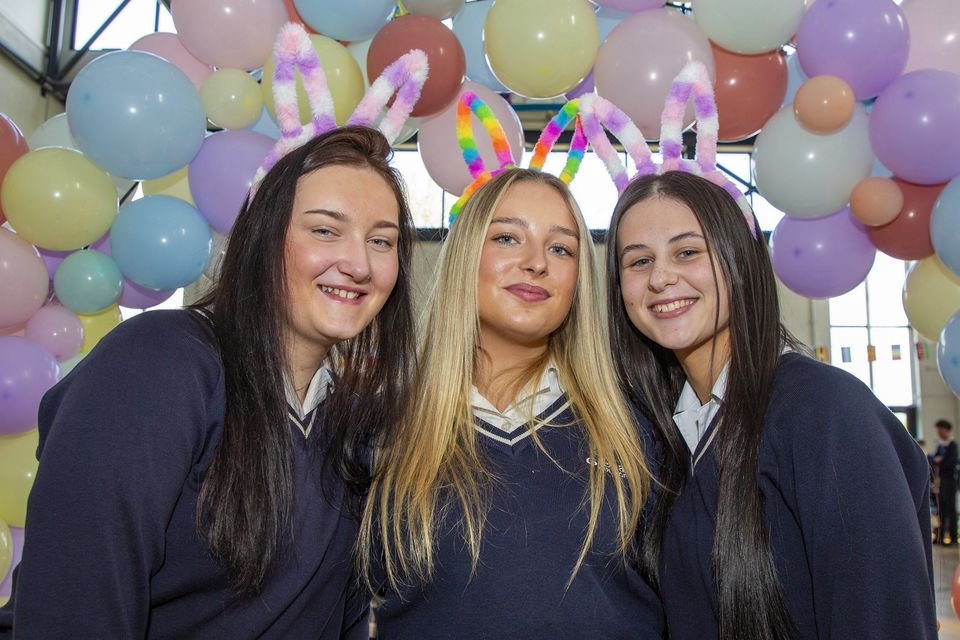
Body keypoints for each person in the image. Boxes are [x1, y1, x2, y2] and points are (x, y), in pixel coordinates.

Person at [0, 124, 418, 638]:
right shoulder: (161, 363)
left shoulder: (351, 421)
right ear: (263, 237)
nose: (358, 264)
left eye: (381, 241)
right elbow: (75, 602)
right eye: (325, 230)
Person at [605, 170, 936, 639]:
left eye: (687, 252)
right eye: (638, 262)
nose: (661, 278)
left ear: (738, 262)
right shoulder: (670, 437)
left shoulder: (824, 411)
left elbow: (884, 618)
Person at [359, 165, 664, 638]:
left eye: (561, 248)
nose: (537, 262)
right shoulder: (384, 428)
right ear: (466, 254)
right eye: (507, 238)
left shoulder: (637, 428)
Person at [931, 418, 958, 544]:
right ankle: (941, 537)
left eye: (940, 430)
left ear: (946, 430)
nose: (938, 433)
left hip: (949, 482)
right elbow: (932, 460)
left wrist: (939, 461)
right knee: (941, 509)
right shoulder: (940, 446)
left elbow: (949, 463)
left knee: (950, 509)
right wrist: (938, 460)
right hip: (941, 482)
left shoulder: (952, 446)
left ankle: (952, 537)